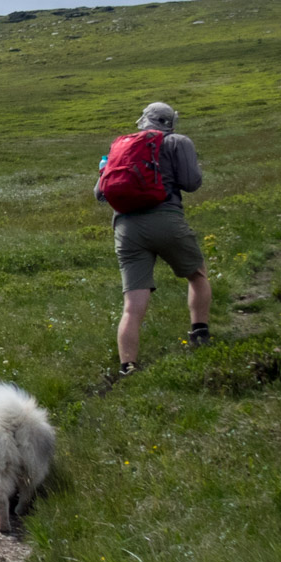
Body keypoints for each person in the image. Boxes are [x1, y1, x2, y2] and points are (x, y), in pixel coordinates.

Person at [98, 101, 209, 375]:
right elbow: (192, 183)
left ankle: (127, 366)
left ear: (143, 121)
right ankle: (200, 333)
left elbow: (100, 193)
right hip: (165, 217)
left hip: (126, 227)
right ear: (171, 121)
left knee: (132, 304)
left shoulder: (120, 147)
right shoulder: (177, 142)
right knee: (197, 274)